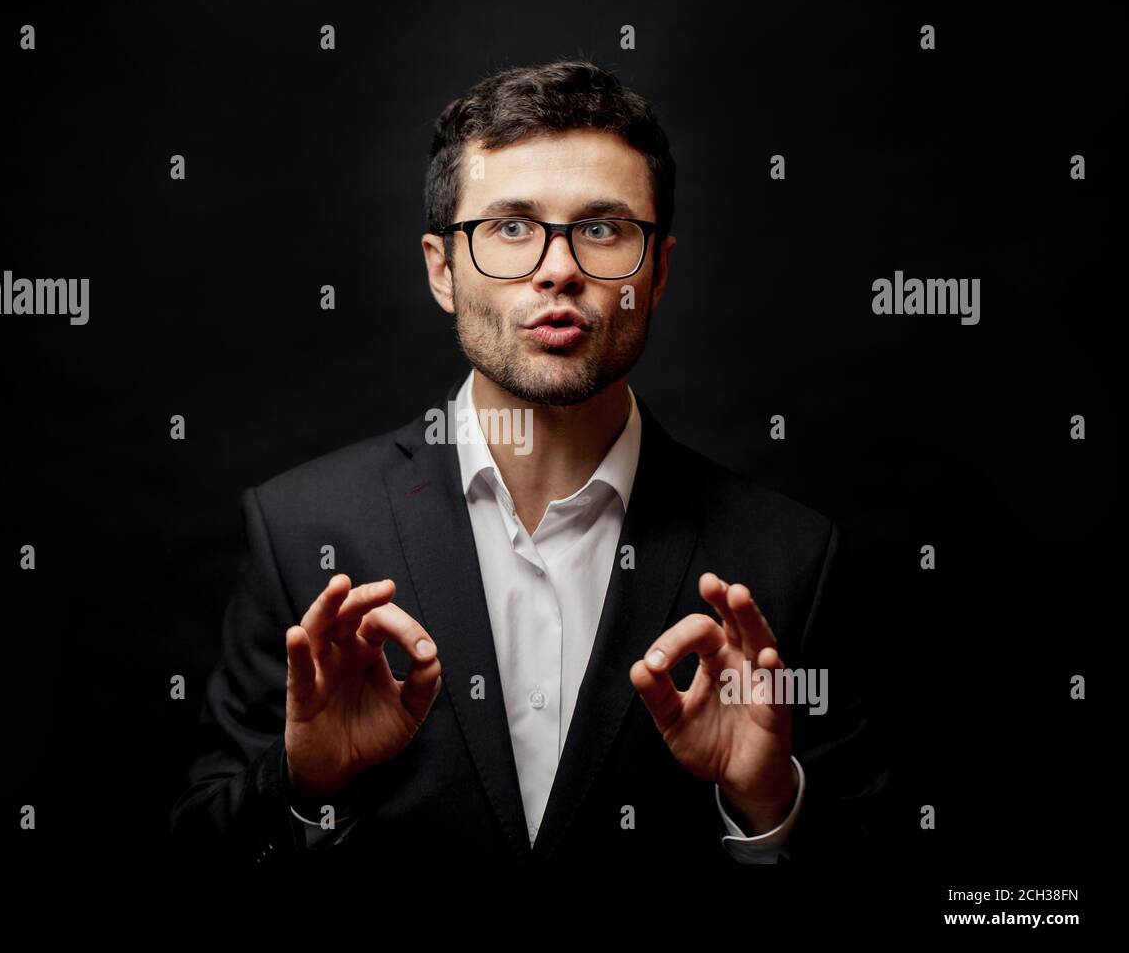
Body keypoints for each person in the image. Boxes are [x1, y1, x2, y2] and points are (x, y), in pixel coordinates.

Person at [169, 59, 888, 867]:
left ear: (658, 274)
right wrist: (303, 785)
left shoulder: (790, 559)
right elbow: (199, 859)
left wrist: (768, 806)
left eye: (603, 228)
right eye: (511, 227)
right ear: (443, 269)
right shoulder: (300, 532)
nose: (558, 268)